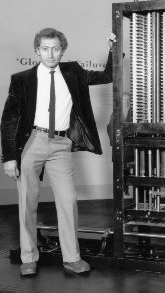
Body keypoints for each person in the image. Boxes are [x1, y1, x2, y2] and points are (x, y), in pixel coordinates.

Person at [1, 27, 116, 276]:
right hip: (32, 141)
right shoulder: (21, 79)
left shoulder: (74, 72)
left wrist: (112, 48)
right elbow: (9, 119)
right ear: (37, 50)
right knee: (27, 203)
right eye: (45, 48)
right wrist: (9, 157)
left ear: (62, 50)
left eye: (55, 48)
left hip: (61, 145)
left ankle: (72, 258)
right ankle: (28, 257)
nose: (50, 54)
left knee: (67, 201)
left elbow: (108, 75)